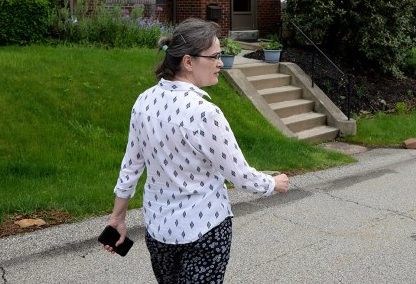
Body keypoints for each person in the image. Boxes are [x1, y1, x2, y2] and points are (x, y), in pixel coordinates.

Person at [102, 17, 289, 283]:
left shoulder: (144, 101)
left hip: (159, 232)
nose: (221, 63)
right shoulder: (205, 113)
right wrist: (273, 183)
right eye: (214, 56)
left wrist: (117, 217)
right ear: (188, 62)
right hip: (205, 231)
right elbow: (239, 175)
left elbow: (131, 165)